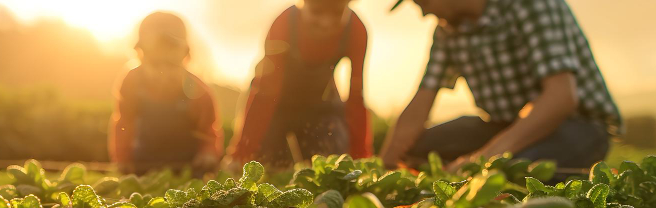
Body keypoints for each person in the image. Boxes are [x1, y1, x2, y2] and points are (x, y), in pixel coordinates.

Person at [380, 0, 622, 172]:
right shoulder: (447, 31)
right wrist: (388, 160)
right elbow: (424, 95)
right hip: (504, 125)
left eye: (424, 2)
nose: (424, 14)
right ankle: (464, 173)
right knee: (418, 150)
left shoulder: (530, 6)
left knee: (512, 171)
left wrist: (484, 158)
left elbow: (561, 99)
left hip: (579, 125)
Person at [229, 0, 373, 168]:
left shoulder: (356, 30)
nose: (325, 22)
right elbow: (265, 93)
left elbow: (356, 96)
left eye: (337, 13)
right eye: (316, 12)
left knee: (331, 167)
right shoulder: (283, 24)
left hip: (320, 108)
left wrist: (360, 156)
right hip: (276, 106)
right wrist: (242, 152)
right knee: (266, 165)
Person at [109, 12, 223, 175]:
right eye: (155, 64)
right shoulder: (131, 82)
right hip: (141, 170)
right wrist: (122, 158)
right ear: (140, 56)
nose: (163, 72)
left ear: (185, 57)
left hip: (186, 173)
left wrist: (208, 153)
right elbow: (123, 123)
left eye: (170, 65)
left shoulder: (198, 92)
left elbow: (209, 132)